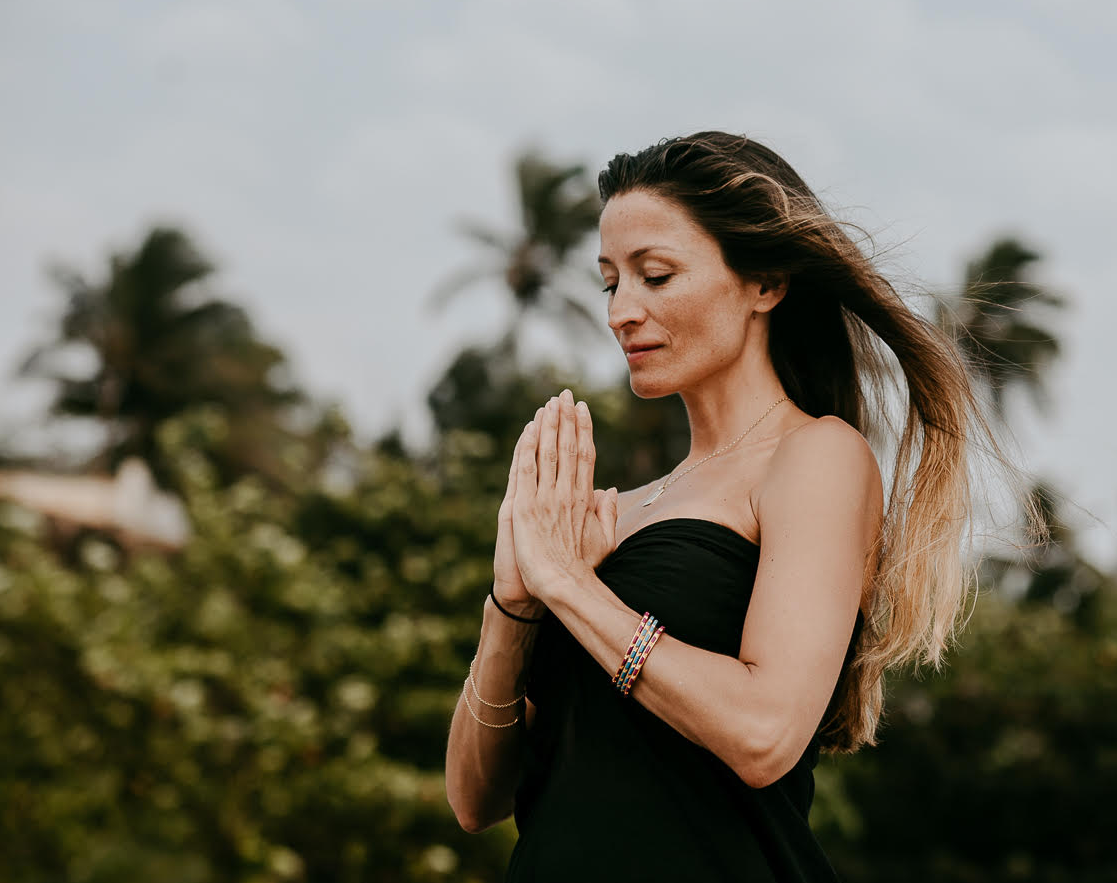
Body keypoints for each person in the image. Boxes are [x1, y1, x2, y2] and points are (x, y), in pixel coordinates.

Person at [444, 131, 1043, 881]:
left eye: (655, 275)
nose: (622, 311)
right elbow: (474, 799)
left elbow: (763, 734)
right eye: (609, 282)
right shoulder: (605, 518)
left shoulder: (817, 455)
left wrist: (571, 586)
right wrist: (514, 601)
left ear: (765, 282)